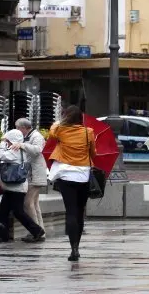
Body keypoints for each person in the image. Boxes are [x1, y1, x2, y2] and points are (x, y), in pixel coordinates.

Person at [47, 105, 95, 262]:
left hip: (66, 175)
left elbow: (52, 131)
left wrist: (59, 121)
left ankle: (72, 248)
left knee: (71, 211)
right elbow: (93, 153)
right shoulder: (88, 132)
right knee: (80, 211)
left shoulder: (60, 130)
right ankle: (77, 247)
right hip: (83, 176)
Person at [0, 129, 45, 243]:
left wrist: (2, 143)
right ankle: (3, 235)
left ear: (12, 140)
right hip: (13, 186)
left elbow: (0, 155)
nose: (6, 142)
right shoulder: (21, 149)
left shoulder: (15, 151)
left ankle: (36, 230)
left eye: (8, 140)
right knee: (4, 210)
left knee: (18, 211)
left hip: (16, 187)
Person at [16, 118, 47, 243]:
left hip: (36, 174)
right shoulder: (29, 136)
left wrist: (22, 145)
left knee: (28, 203)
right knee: (34, 204)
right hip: (32, 173)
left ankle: (35, 231)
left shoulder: (36, 136)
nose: (18, 131)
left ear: (24, 128)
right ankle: (40, 231)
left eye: (18, 128)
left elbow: (37, 150)